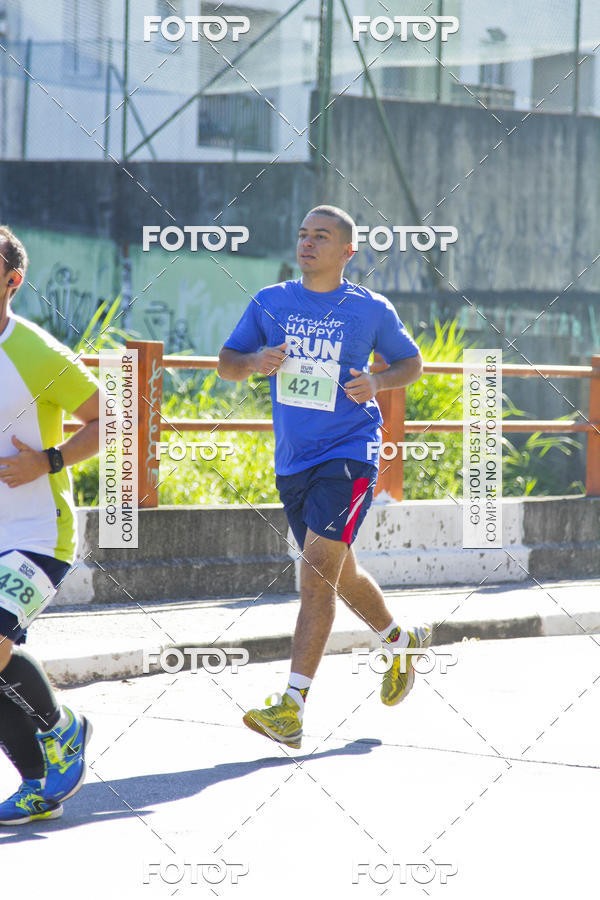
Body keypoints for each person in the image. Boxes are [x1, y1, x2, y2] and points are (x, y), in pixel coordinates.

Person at [217, 205, 430, 750]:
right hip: (294, 460)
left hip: (350, 452)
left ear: (347, 251)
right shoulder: (271, 301)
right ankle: (398, 639)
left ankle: (291, 706)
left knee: (314, 574)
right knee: (338, 573)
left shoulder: (368, 308)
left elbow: (411, 363)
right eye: (303, 234)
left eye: (322, 236)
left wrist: (377, 382)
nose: (308, 243)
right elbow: (227, 361)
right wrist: (257, 359)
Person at [0, 225, 101, 822]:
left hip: (40, 533)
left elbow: (110, 418)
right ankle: (38, 781)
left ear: (12, 281)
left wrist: (49, 459)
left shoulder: (33, 350)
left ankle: (64, 729)